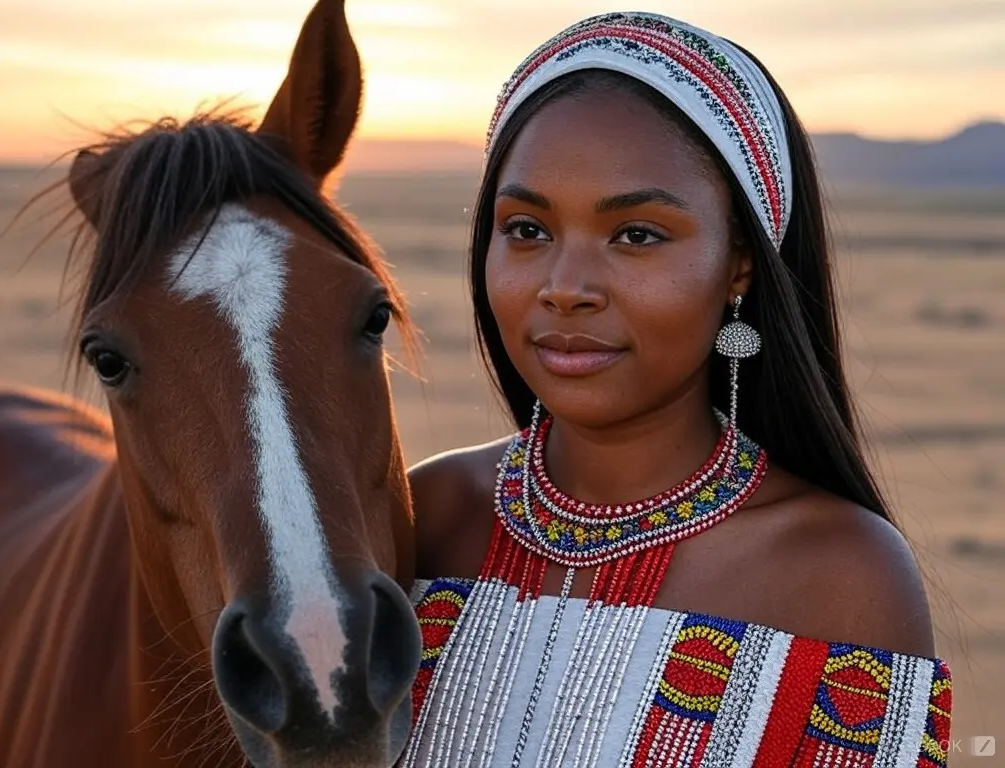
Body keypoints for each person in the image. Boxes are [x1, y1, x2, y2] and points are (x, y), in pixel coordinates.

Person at [400, 11, 953, 767]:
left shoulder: (841, 577)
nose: (565, 289)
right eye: (527, 229)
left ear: (739, 266)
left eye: (637, 235)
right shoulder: (418, 519)